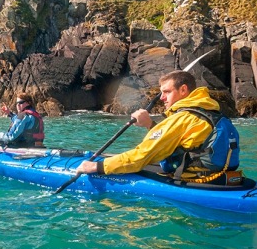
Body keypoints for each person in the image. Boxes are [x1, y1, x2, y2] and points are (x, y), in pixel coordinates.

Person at [77, 70, 238, 178]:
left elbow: (139, 158)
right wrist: (150, 125)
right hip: (221, 176)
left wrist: (96, 168)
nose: (161, 98)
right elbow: (178, 143)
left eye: (167, 92)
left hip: (197, 180)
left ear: (183, 90)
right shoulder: (210, 111)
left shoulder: (182, 118)